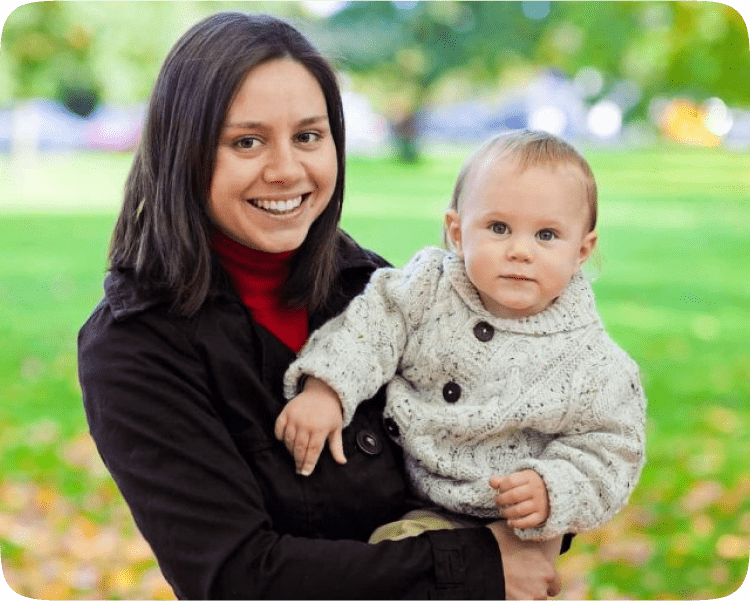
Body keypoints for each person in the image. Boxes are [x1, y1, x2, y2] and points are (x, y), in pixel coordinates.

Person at [78, 12, 566, 601]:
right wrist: (482, 565)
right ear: (184, 151)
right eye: (246, 141)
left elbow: (499, 444)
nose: (287, 170)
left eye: (308, 136)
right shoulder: (135, 346)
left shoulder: (379, 290)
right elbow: (236, 578)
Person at [277, 130, 647, 545]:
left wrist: (553, 487)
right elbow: (370, 328)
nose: (520, 251)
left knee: (400, 554)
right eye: (499, 227)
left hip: (504, 520)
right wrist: (327, 388)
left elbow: (611, 448)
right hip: (401, 482)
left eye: (546, 235)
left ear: (581, 250)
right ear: (456, 231)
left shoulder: (592, 362)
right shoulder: (426, 289)